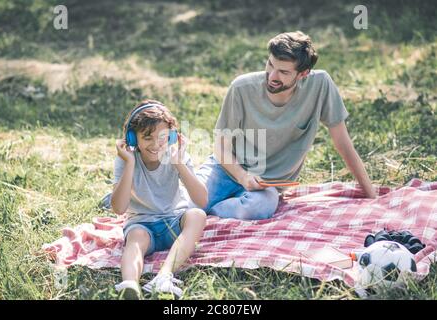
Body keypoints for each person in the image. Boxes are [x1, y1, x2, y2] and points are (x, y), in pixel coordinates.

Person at [195, 30, 376, 220]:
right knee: (185, 205)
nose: (272, 76)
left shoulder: (320, 85)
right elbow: (220, 147)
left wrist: (371, 196)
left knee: (257, 209)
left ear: (303, 74)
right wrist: (242, 176)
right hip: (225, 168)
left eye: (283, 72)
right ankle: (202, 211)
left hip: (267, 183)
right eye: (270, 64)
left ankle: (209, 215)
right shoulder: (241, 88)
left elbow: (343, 144)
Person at [112, 100, 208, 299]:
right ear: (132, 138)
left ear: (172, 137)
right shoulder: (126, 160)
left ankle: (164, 276)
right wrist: (129, 164)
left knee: (197, 215)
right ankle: (130, 284)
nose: (156, 145)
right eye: (147, 137)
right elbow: (119, 208)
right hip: (142, 225)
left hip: (174, 221)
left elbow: (202, 200)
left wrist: (178, 163)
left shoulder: (177, 157)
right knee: (136, 239)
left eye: (162, 138)